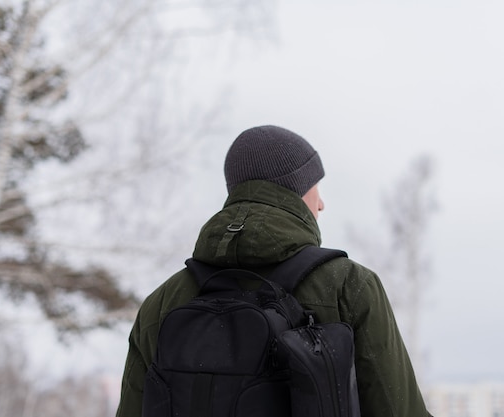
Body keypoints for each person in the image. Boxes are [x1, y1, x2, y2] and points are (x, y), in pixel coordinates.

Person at [116, 125, 433, 417]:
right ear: (295, 189)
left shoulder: (163, 301)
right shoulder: (349, 287)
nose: (321, 203)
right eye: (315, 187)